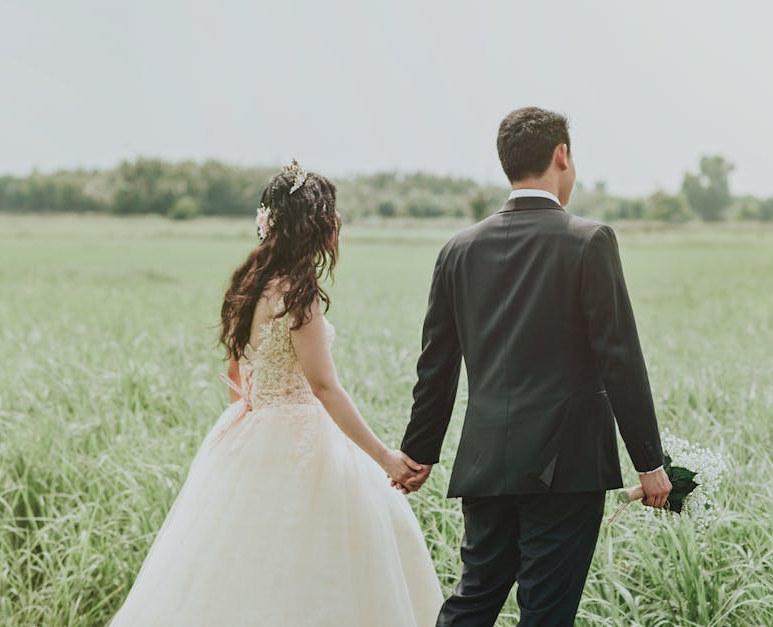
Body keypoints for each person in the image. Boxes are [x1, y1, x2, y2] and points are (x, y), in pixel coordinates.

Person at [108, 161, 443, 626]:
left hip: (250, 427)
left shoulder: (251, 283)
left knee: (240, 564)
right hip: (301, 436)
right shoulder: (296, 291)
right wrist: (384, 457)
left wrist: (248, 425)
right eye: (333, 213)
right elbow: (324, 386)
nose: (338, 222)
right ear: (315, 224)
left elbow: (234, 370)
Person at [396, 107, 673, 626]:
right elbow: (621, 360)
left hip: (485, 463)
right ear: (561, 155)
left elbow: (436, 365)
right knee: (546, 613)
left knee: (473, 601)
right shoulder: (590, 241)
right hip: (566, 470)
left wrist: (419, 452)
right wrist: (650, 462)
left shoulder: (457, 249)